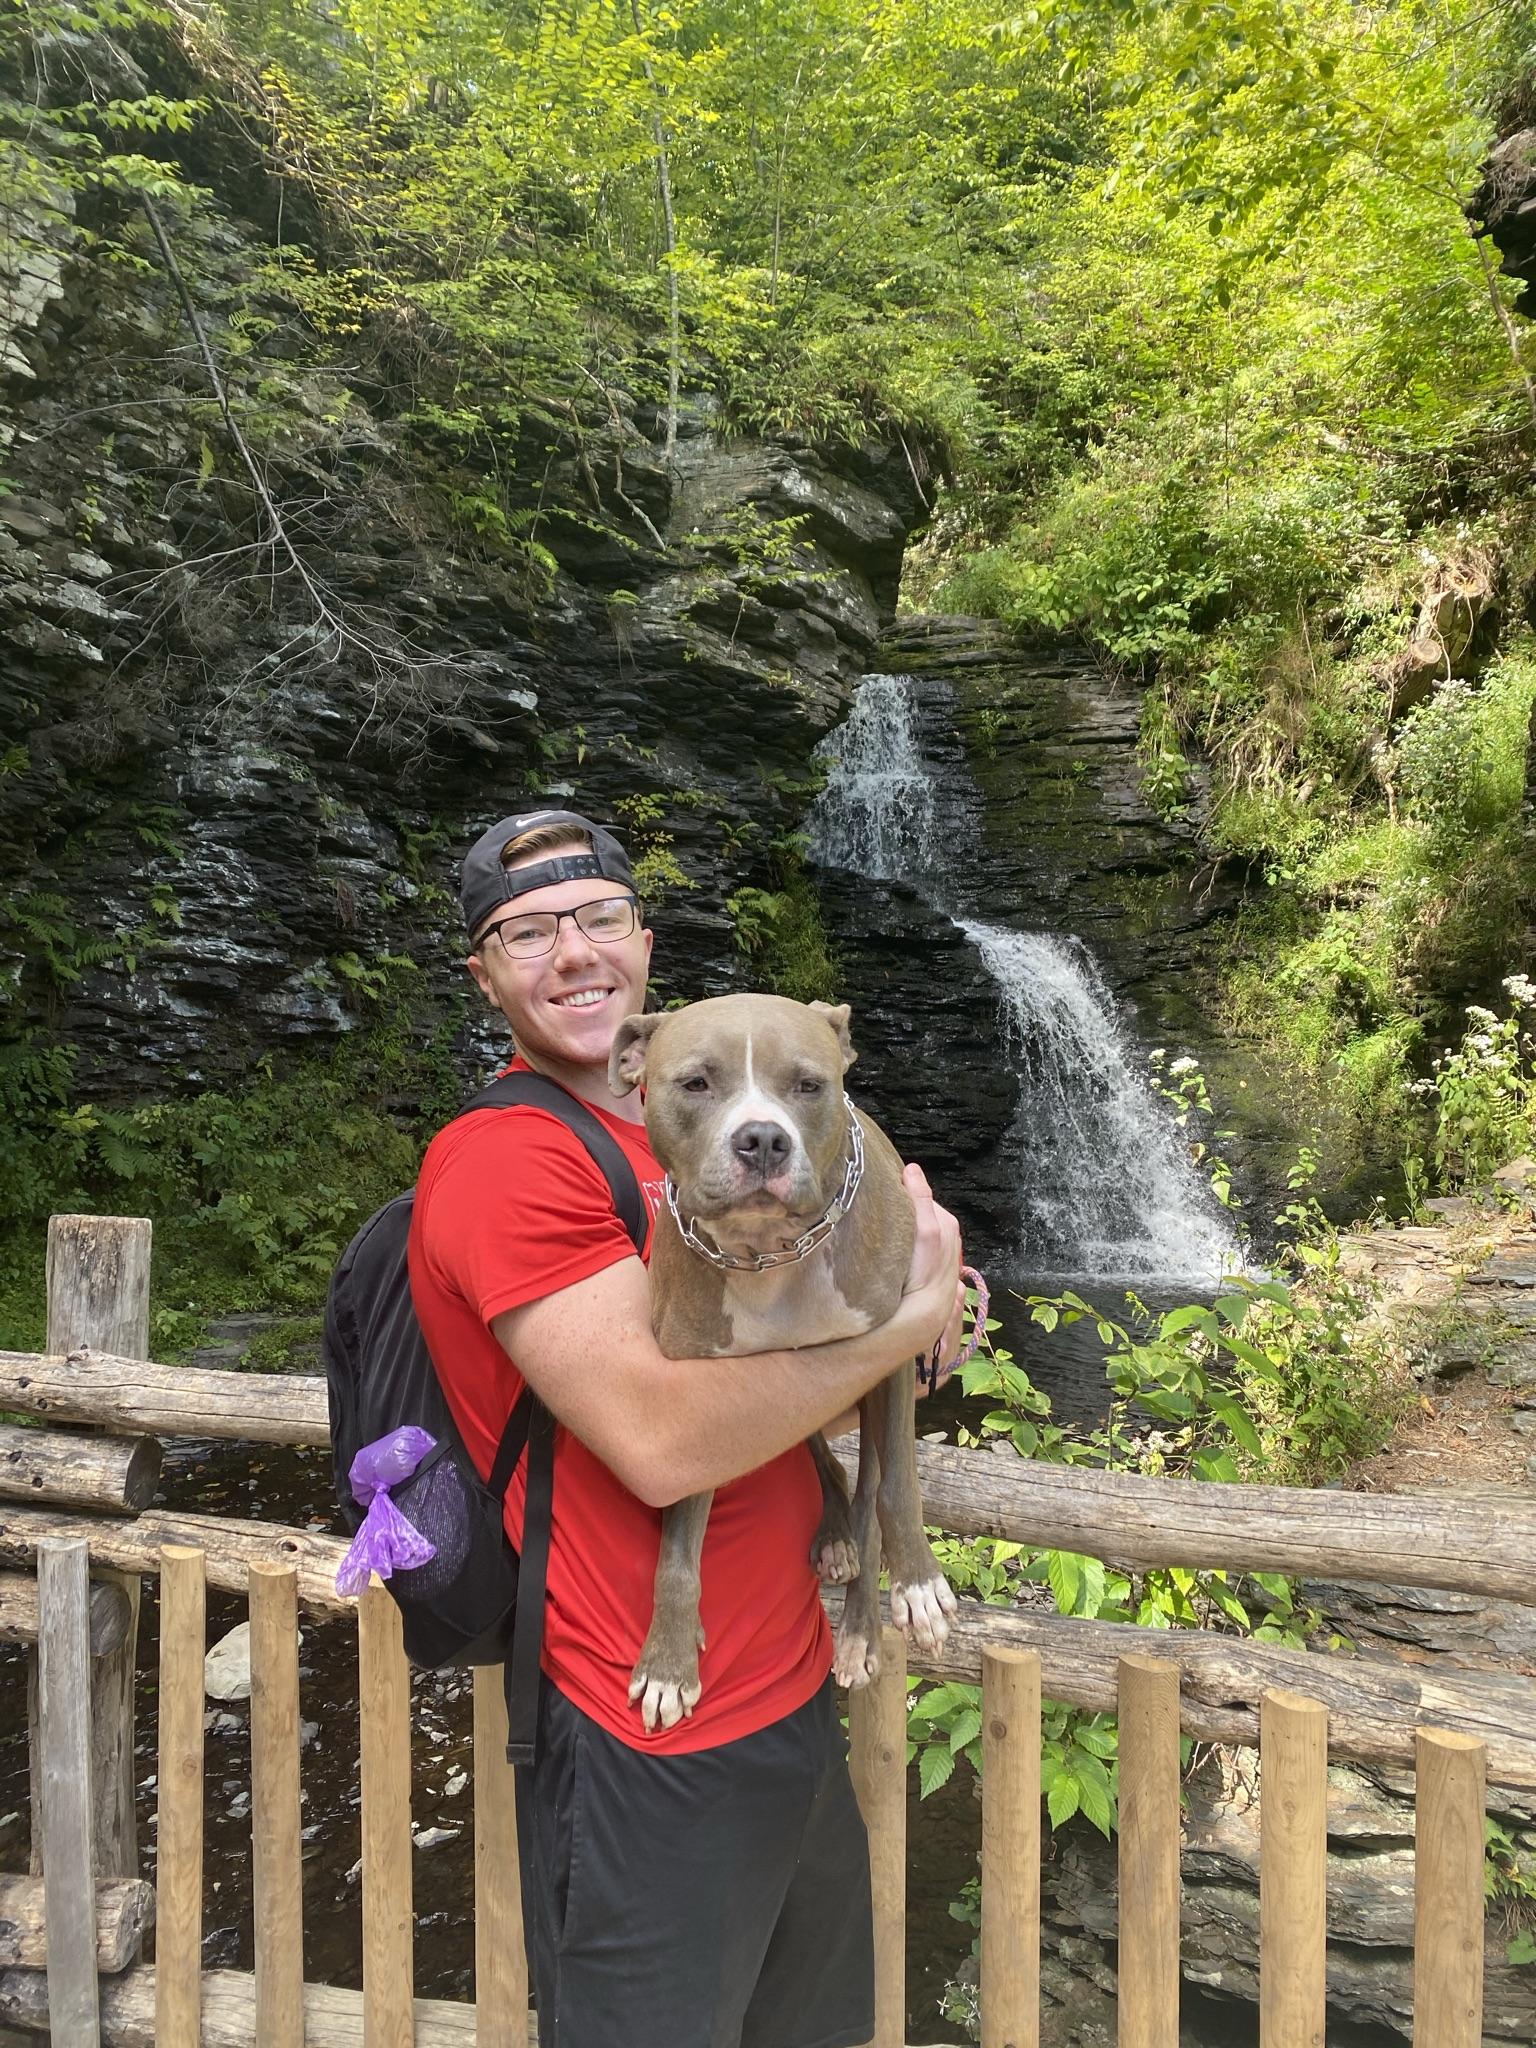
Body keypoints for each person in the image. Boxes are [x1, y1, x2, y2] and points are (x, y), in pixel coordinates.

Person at [408, 804, 963, 2048]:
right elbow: (660, 1437)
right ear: (484, 973)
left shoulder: (689, 1105)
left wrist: (941, 1292)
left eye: (599, 916)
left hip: (788, 1681)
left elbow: (871, 1328)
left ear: (645, 943)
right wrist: (908, 1308)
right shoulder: (506, 1162)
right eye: (527, 931)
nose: (574, 952)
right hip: (643, 1722)